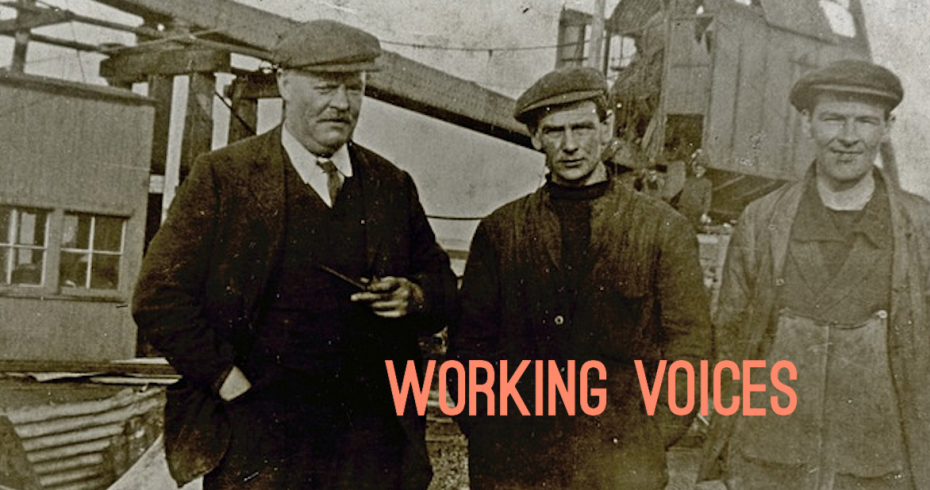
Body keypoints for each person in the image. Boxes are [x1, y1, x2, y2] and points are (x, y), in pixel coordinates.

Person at [132, 20, 457, 490]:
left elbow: (443, 285)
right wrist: (226, 380)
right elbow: (157, 297)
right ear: (284, 83)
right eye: (326, 87)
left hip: (372, 446)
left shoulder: (391, 185)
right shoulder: (224, 178)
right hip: (257, 439)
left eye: (355, 88)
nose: (342, 104)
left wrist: (416, 296)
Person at [448, 66, 711, 489]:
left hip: (620, 464)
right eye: (554, 131)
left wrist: (650, 435)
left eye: (583, 128)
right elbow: (469, 347)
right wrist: (486, 428)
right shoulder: (501, 231)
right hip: (516, 463)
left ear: (607, 129)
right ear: (536, 138)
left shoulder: (663, 229)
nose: (570, 145)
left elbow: (689, 347)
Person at [700, 59, 930, 489]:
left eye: (864, 121)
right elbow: (730, 342)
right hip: (769, 462)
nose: (847, 137)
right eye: (832, 119)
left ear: (888, 127)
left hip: (879, 468)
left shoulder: (922, 228)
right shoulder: (761, 221)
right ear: (807, 123)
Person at [674, 149, 713, 229]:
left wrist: (705, 213)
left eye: (701, 168)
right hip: (684, 208)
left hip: (695, 211)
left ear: (705, 170)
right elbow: (688, 165)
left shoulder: (707, 183)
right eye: (697, 167)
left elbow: (707, 199)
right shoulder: (689, 178)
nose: (699, 170)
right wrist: (694, 155)